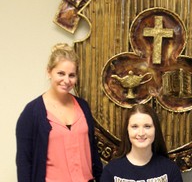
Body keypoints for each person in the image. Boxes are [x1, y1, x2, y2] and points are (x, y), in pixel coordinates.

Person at [16, 43, 103, 182]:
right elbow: (24, 162)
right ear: (49, 72)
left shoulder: (83, 107)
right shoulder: (32, 113)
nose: (67, 80)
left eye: (72, 75)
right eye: (61, 73)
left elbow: (93, 152)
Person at [100, 104, 183, 182]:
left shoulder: (170, 170)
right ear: (127, 130)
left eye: (147, 126)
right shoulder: (111, 171)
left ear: (155, 129)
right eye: (135, 127)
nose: (141, 133)